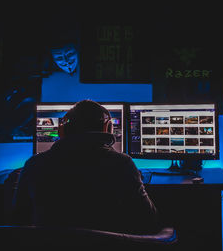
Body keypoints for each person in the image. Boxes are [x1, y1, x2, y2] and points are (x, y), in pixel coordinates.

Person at [12, 99, 162, 234]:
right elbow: (148, 220)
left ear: (62, 131)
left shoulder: (34, 164)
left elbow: (18, 221)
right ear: (107, 129)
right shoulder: (122, 163)